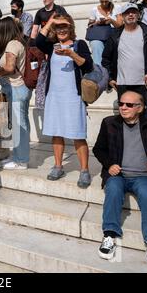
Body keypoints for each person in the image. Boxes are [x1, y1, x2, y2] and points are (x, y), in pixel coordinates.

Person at [93, 91, 147, 272]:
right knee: (113, 189)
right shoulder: (109, 123)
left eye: (129, 105)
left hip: (143, 177)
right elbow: (99, 149)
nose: (123, 107)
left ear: (140, 108)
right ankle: (109, 234)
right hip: (118, 175)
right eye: (121, 104)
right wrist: (109, 165)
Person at [36, 13, 94, 187]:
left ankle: (84, 170)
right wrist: (51, 21)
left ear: (71, 28)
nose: (61, 30)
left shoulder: (79, 44)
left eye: (65, 26)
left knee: (78, 133)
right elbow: (38, 41)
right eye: (58, 27)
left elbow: (88, 65)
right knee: (57, 132)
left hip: (73, 96)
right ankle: (58, 166)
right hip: (54, 96)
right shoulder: (51, 46)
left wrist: (71, 54)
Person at [102, 3, 147, 120]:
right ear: (122, 16)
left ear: (138, 15)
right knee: (128, 120)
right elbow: (106, 59)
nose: (131, 14)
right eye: (127, 12)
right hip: (123, 86)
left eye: (134, 12)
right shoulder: (114, 36)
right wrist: (110, 78)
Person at [0, 17, 30, 170]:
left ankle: (21, 160)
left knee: (19, 124)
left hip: (16, 88)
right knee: (21, 123)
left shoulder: (12, 44)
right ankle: (17, 156)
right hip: (20, 88)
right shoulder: (18, 43)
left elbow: (9, 68)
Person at [87, 0, 123, 65]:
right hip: (100, 35)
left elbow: (120, 25)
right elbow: (89, 25)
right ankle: (100, 70)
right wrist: (97, 23)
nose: (104, 4)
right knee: (95, 44)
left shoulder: (117, 7)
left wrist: (111, 21)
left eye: (106, 1)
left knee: (116, 44)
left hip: (114, 35)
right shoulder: (94, 10)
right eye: (101, 1)